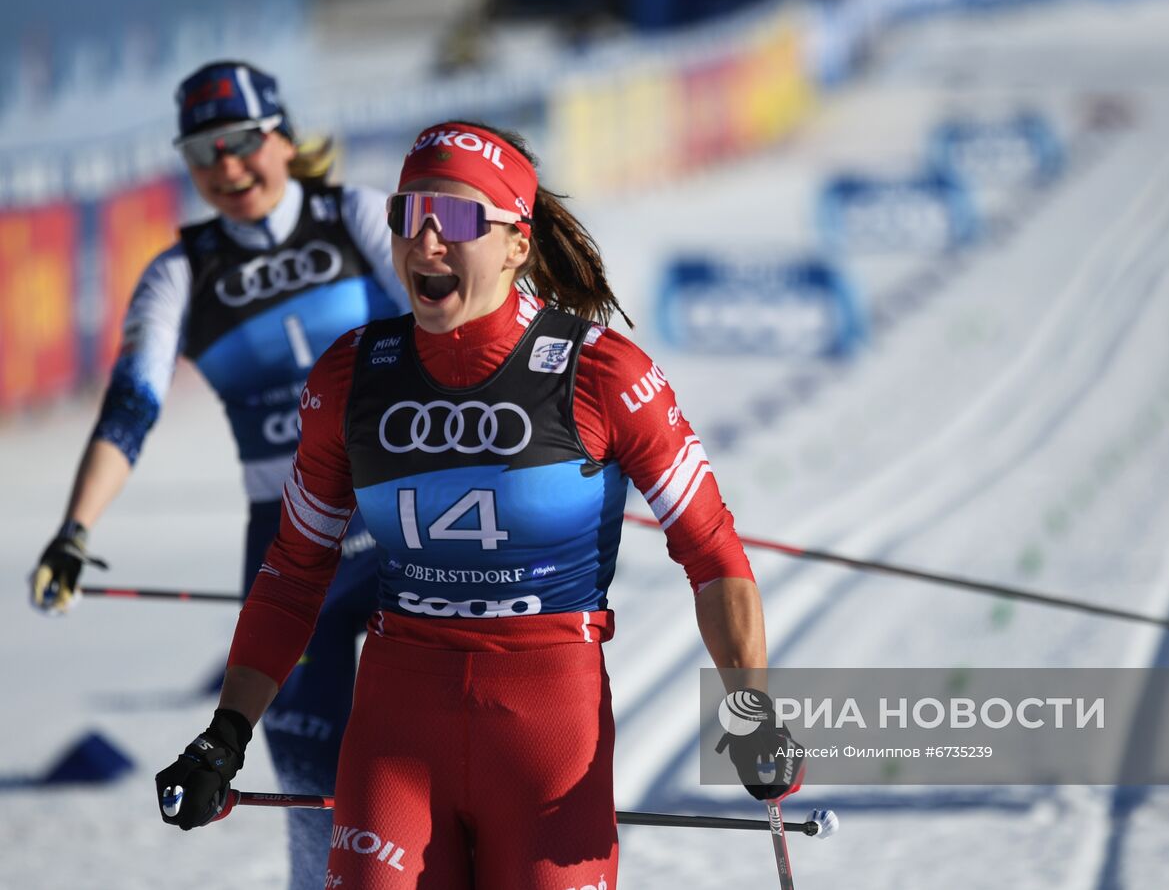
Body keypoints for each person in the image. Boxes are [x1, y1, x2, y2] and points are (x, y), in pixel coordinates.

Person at [154, 121, 804, 889]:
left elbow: (710, 549)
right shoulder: (353, 376)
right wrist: (226, 733)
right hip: (397, 730)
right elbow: (296, 571)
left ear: (515, 244)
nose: (425, 240)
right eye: (407, 215)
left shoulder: (603, 374)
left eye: (457, 219)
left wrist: (752, 708)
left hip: (546, 736)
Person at [27, 60, 409, 889]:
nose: (227, 169)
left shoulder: (355, 215)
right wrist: (74, 529)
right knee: (314, 792)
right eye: (203, 155)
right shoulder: (180, 273)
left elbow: (454, 328)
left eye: (241, 143)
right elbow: (130, 408)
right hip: (285, 541)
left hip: (399, 517)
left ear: (281, 135)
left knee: (426, 762)